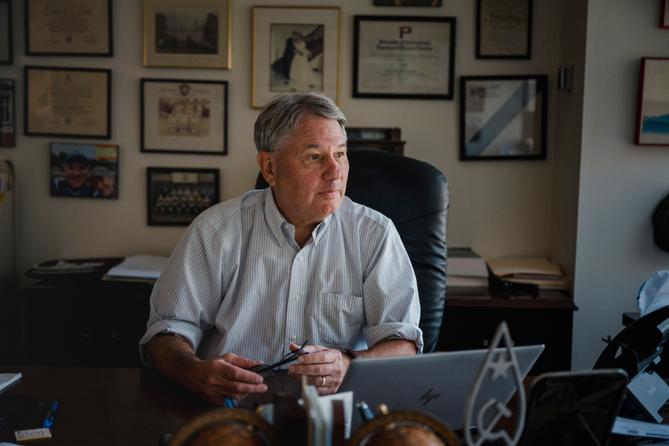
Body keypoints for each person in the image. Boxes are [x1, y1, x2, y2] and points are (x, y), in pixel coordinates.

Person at [139, 92, 422, 405]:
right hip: (231, 413)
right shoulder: (216, 231)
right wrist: (194, 371)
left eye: (340, 154)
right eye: (314, 157)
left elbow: (403, 343)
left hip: (331, 417)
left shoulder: (374, 235)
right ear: (269, 167)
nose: (335, 172)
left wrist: (349, 365)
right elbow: (165, 334)